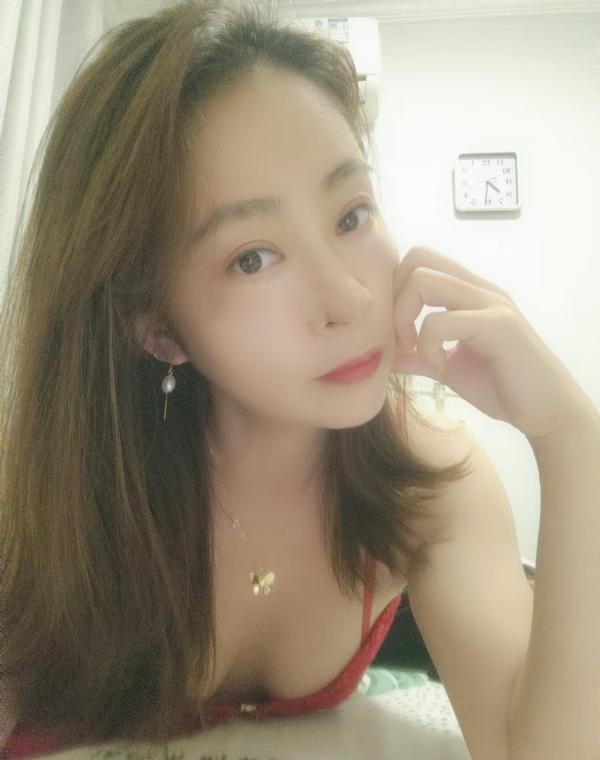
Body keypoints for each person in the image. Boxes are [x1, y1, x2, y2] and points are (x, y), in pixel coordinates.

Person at [0, 1, 479, 756]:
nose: (350, 299)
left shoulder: (429, 473)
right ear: (157, 327)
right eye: (252, 257)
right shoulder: (50, 496)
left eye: (351, 215)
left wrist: (571, 441)